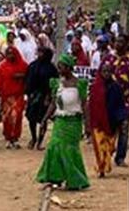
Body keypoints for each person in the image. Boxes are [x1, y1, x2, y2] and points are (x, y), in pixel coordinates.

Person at [36, 54, 90, 190]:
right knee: (54, 146)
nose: (59, 70)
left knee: (69, 150)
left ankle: (75, 180)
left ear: (69, 68)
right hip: (60, 120)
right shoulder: (57, 84)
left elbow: (84, 105)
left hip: (73, 122)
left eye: (61, 67)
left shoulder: (80, 84)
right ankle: (55, 177)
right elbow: (53, 103)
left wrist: (87, 124)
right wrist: (44, 119)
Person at [89, 63, 128, 177]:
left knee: (109, 147)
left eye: (108, 71)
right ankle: (101, 168)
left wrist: (122, 120)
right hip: (98, 122)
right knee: (100, 146)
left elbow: (120, 105)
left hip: (112, 122)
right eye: (104, 71)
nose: (106, 74)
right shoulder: (95, 86)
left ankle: (106, 165)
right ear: (100, 72)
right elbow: (91, 104)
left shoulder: (116, 87)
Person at [111, 34, 129, 167]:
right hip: (109, 101)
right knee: (109, 129)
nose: (118, 44)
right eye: (117, 41)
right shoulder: (108, 59)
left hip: (126, 101)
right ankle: (107, 152)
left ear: (126, 44)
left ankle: (120, 157)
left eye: (121, 42)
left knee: (124, 130)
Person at [0, 46, 28, 149]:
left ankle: (15, 138)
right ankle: (8, 137)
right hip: (6, 97)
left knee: (17, 117)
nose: (10, 56)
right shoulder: (2, 66)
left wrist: (21, 76)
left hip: (18, 96)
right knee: (7, 118)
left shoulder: (23, 65)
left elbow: (28, 76)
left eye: (12, 53)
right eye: (8, 54)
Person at [25, 47, 59, 150]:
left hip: (45, 96)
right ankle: (34, 138)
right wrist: (28, 93)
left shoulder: (51, 68)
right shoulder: (33, 66)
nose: (39, 55)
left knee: (43, 120)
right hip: (34, 96)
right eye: (39, 52)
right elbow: (28, 80)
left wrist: (49, 97)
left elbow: (54, 84)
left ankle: (40, 141)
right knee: (31, 119)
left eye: (42, 53)